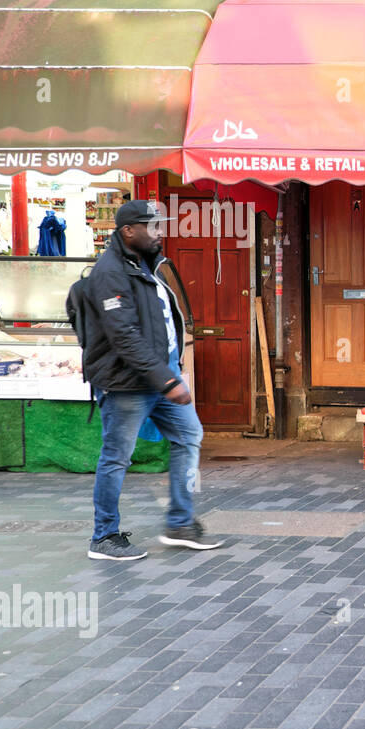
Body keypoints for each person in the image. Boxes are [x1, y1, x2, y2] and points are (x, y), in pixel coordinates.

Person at [83, 200, 221, 561]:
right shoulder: (110, 273)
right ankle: (104, 536)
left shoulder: (148, 263)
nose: (160, 232)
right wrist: (168, 380)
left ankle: (179, 522)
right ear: (129, 231)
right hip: (128, 383)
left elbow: (159, 322)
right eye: (153, 226)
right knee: (116, 458)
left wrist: (170, 371)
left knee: (189, 436)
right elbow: (124, 335)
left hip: (161, 377)